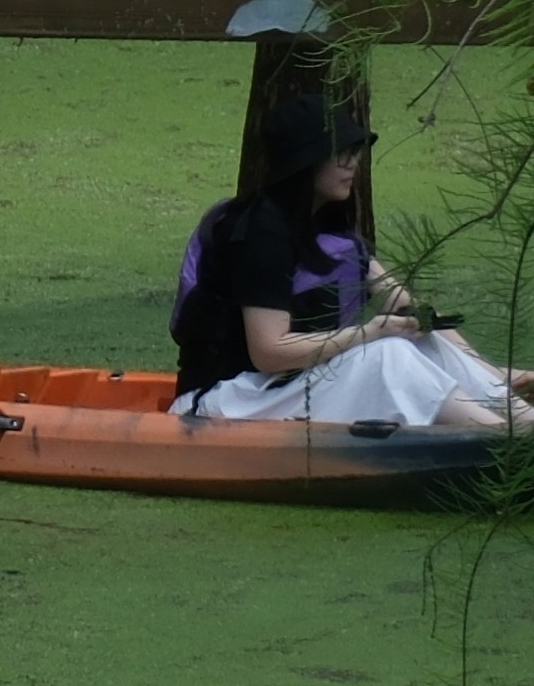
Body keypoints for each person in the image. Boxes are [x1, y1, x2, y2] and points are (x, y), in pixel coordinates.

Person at [168, 72, 517, 433]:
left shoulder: (330, 230)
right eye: (338, 153)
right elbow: (268, 352)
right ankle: (508, 443)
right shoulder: (261, 231)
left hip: (283, 389)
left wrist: (492, 376)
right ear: (305, 162)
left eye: (353, 152)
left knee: (417, 340)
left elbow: (408, 308)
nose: (352, 163)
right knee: (388, 354)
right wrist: (371, 332)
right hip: (226, 400)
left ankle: (521, 423)